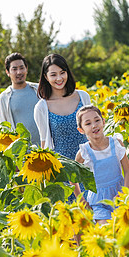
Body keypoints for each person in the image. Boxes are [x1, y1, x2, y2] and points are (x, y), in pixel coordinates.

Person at [34, 54, 91, 202]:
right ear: (46, 77)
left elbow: (93, 129)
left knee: (95, 210)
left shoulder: (83, 97)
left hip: (87, 163)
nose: (59, 78)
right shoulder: (42, 106)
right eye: (53, 74)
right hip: (61, 169)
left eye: (62, 73)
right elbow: (44, 142)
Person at [74, 105, 129, 224]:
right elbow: (72, 177)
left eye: (97, 120)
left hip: (120, 195)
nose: (94, 125)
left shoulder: (116, 143)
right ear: (81, 130)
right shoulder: (84, 152)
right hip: (99, 202)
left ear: (103, 122)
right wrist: (82, 200)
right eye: (88, 123)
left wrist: (124, 192)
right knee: (105, 229)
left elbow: (127, 171)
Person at [0, 52, 40, 145]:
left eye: (21, 68)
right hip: (21, 152)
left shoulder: (39, 89)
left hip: (46, 148)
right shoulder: (3, 99)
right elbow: (4, 129)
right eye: (14, 69)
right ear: (8, 72)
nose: (19, 72)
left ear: (26, 69)